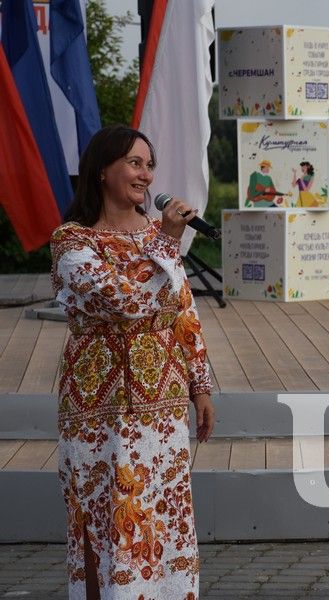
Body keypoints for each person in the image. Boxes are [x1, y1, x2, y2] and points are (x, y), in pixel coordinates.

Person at [50, 125, 215, 599]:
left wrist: (199, 387)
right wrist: (164, 240)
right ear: (102, 170)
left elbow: (184, 312)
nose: (146, 174)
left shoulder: (155, 237)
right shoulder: (72, 242)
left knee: (164, 527)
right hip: (97, 415)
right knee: (108, 529)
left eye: (149, 164)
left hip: (160, 410)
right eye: (134, 163)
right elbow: (123, 301)